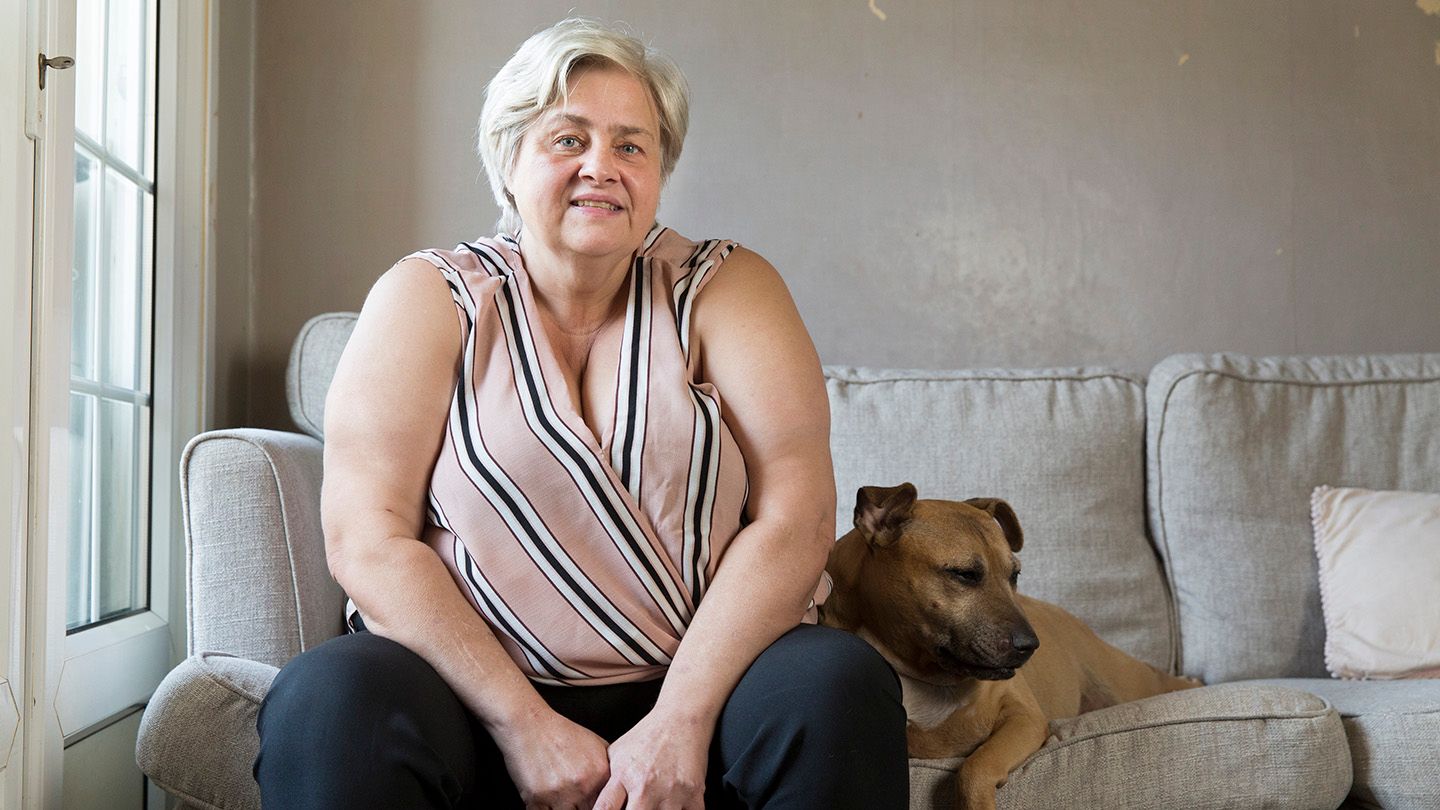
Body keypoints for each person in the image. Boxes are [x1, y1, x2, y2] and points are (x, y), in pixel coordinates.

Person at [254, 17, 907, 809]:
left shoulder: (726, 287)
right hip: (474, 692)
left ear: (659, 171)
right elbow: (367, 537)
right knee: (328, 700)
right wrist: (523, 724)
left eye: (631, 146)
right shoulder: (428, 297)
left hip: (702, 683)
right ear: (509, 158)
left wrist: (680, 721)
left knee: (837, 685)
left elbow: (798, 520)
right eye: (569, 139)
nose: (603, 166)